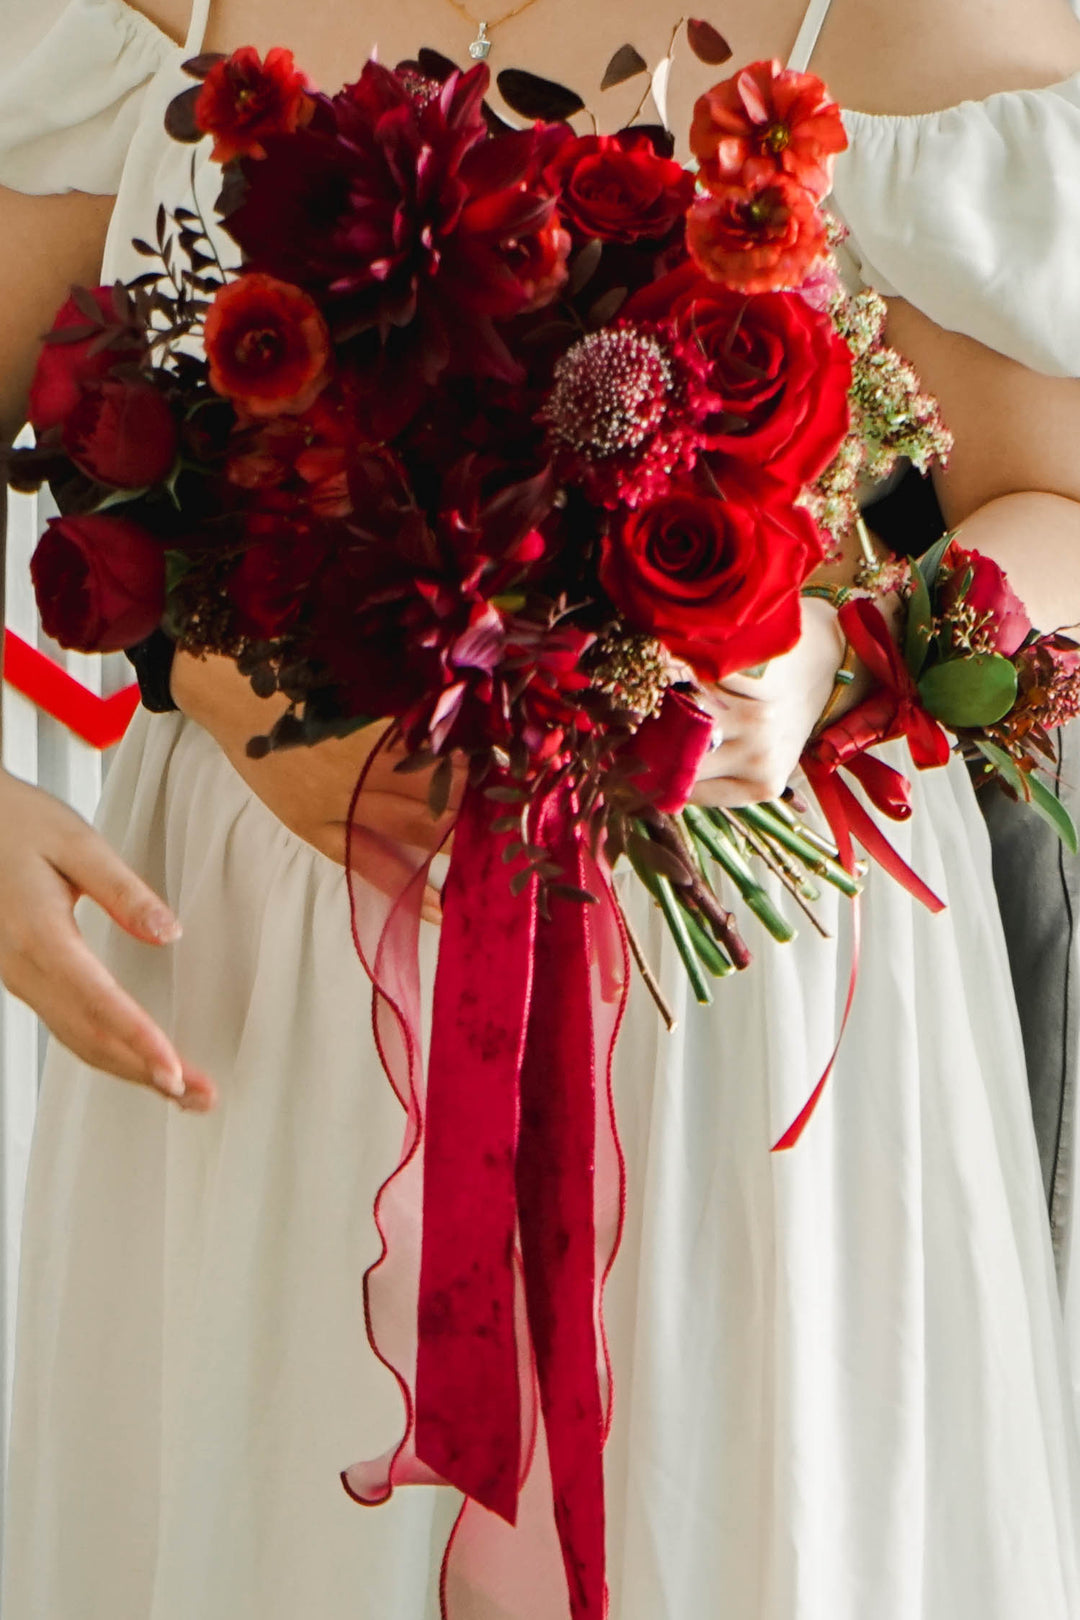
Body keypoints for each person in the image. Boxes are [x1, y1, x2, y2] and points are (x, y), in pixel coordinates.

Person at [2, 0, 1080, 1615]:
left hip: (739, 1020)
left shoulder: (908, 26)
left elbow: (1052, 501)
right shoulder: (135, 21)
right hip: (257, 998)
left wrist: (834, 669)